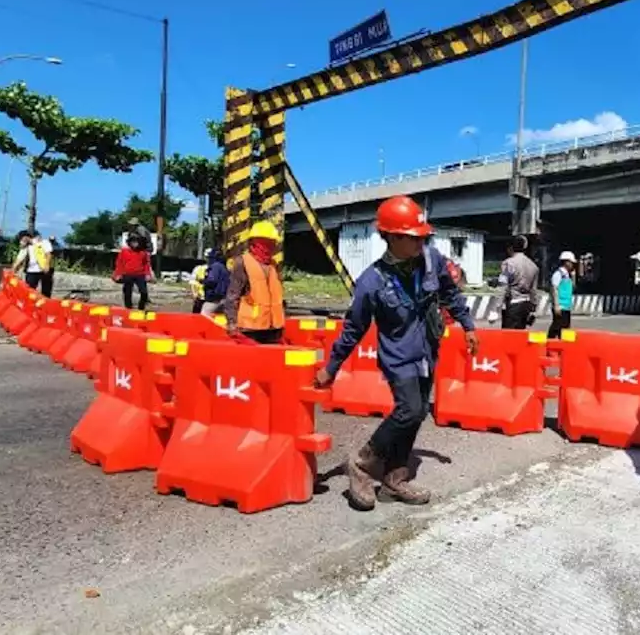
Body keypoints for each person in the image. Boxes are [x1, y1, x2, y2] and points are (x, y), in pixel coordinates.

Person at [315, 195, 478, 511]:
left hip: (428, 351)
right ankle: (362, 463)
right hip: (398, 356)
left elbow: (450, 294)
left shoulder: (432, 260)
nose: (420, 242)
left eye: (422, 236)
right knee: (408, 409)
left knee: (417, 414)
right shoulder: (371, 283)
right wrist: (331, 367)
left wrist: (467, 325)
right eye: (413, 237)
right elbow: (353, 329)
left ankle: (395, 480)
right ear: (390, 236)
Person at [223, 221, 285, 344]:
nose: (272, 246)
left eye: (273, 243)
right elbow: (232, 295)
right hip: (250, 329)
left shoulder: (273, 265)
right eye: (267, 243)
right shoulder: (243, 262)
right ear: (256, 242)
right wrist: (232, 323)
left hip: (273, 328)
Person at [498, 235, 539, 329]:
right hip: (526, 304)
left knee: (508, 337)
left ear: (511, 247)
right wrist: (533, 308)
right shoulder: (533, 265)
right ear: (525, 247)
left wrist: (496, 308)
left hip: (513, 303)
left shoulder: (508, 263)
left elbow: (503, 285)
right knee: (520, 335)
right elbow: (534, 290)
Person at [113, 234, 152, 311]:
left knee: (144, 292)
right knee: (127, 292)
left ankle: (141, 308)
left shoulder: (143, 252)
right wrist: (117, 274)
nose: (135, 243)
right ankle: (128, 308)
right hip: (127, 274)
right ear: (130, 243)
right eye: (133, 242)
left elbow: (146, 264)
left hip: (140, 274)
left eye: (136, 242)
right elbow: (119, 263)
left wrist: (148, 274)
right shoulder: (124, 251)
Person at [12, 229, 54, 297]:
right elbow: (19, 259)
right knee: (29, 291)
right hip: (31, 271)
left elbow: (48, 254)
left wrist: (47, 265)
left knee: (46, 291)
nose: (21, 241)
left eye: (21, 239)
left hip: (44, 270)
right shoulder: (26, 247)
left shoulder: (43, 242)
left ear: (26, 237)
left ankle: (45, 305)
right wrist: (13, 270)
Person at [547, 250, 577, 339]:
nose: (572, 265)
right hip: (560, 306)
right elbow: (554, 289)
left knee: (565, 328)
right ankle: (549, 343)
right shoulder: (558, 274)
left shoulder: (567, 275)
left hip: (566, 306)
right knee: (557, 327)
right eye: (571, 262)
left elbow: (573, 287)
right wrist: (556, 305)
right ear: (566, 262)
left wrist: (574, 276)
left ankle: (563, 347)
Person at [199, 248, 229, 316]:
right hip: (224, 297)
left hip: (214, 299)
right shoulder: (223, 267)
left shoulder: (215, 266)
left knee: (204, 315)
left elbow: (212, 281)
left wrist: (203, 281)